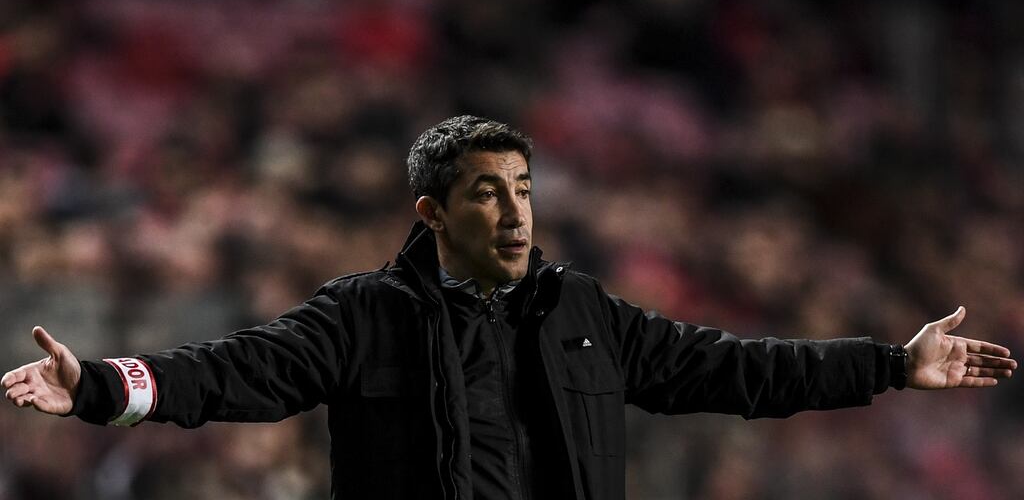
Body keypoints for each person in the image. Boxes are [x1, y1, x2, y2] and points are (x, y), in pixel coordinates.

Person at [2, 115, 1017, 500]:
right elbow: (225, 379)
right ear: (432, 212)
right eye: (488, 191)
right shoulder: (362, 316)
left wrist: (890, 364)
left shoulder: (583, 311)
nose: (515, 209)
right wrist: (95, 388)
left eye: (524, 189)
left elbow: (739, 371)